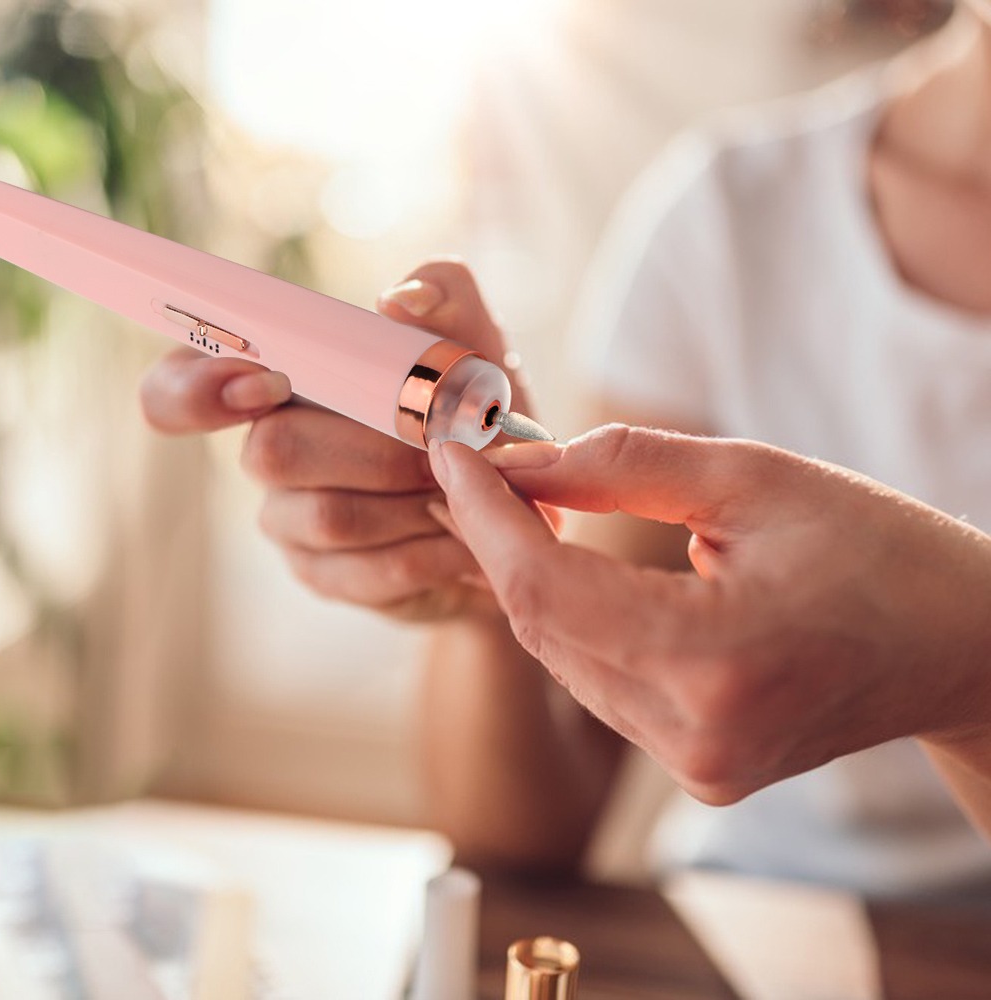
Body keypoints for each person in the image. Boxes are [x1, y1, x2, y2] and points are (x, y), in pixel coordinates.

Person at [140, 0, 991, 890]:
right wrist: (489, 595)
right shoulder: (733, 215)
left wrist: (967, 665)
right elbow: (527, 836)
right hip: (752, 929)